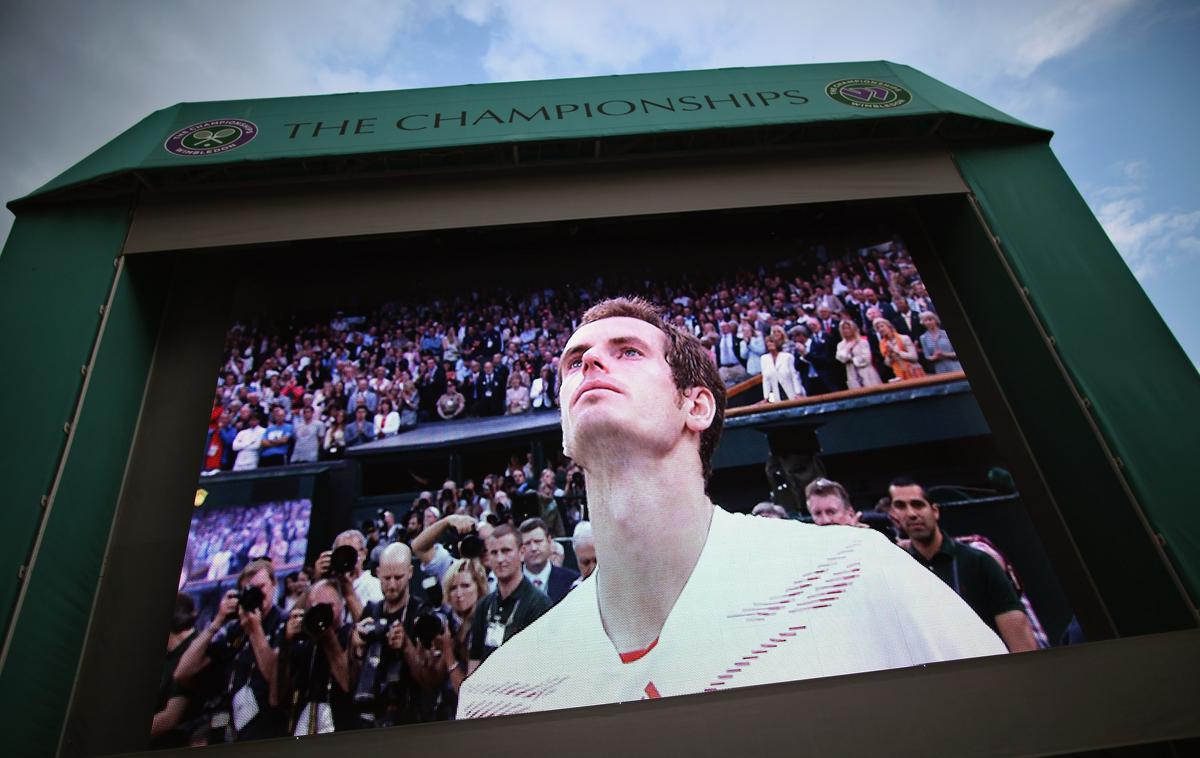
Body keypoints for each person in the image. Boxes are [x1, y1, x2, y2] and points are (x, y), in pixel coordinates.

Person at [458, 297, 1004, 719]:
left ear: (695, 405)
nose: (591, 361)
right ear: (563, 434)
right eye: (574, 362)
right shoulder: (498, 691)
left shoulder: (857, 570)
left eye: (627, 351)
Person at [887, 477, 1038, 653]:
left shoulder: (978, 561)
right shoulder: (897, 569)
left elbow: (1019, 635)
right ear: (893, 515)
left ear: (934, 511)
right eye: (900, 506)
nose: (911, 514)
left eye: (917, 504)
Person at [175, 559, 284, 741]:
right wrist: (218, 621)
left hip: (267, 727)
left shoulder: (284, 622)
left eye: (261, 587)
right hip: (228, 723)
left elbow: (277, 680)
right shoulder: (235, 630)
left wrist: (255, 630)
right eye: (249, 591)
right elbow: (183, 672)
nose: (256, 595)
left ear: (274, 585)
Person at [352, 543, 440, 727]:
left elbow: (429, 681)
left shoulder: (422, 613)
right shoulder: (370, 612)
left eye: (398, 577)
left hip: (409, 715)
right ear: (377, 573)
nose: (392, 585)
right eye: (387, 578)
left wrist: (407, 647)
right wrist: (357, 647)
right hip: (369, 714)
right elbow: (349, 681)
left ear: (410, 572)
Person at [466, 525, 552, 674]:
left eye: (506, 551)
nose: (500, 559)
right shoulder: (484, 605)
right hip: (485, 691)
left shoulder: (540, 603)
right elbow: (474, 661)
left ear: (521, 552)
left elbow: (542, 664)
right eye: (494, 553)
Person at [279, 580, 357, 735]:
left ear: (341, 605)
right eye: (317, 608)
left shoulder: (349, 634)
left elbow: (347, 684)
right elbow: (281, 690)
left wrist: (329, 639)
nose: (323, 613)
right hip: (303, 718)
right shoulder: (305, 639)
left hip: (340, 721)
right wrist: (286, 642)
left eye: (329, 607)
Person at [433, 558, 489, 716]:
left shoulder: (485, 626)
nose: (458, 594)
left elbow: (468, 693)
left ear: (480, 587)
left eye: (465, 586)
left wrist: (448, 653)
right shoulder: (448, 624)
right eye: (453, 588)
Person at [519, 517, 579, 604]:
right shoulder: (511, 583)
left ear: (549, 541)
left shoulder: (571, 580)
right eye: (527, 543)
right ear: (520, 548)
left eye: (538, 541)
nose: (534, 548)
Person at [835, 319, 882, 389]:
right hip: (852, 374)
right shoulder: (841, 345)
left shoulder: (862, 342)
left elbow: (866, 359)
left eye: (848, 328)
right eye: (844, 328)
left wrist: (852, 359)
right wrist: (848, 349)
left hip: (866, 373)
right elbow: (840, 357)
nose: (846, 330)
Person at [760, 334, 805, 403]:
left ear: (777, 343)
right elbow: (766, 380)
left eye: (771, 342)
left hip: (792, 393)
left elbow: (794, 376)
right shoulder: (764, 359)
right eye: (767, 342)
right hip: (776, 396)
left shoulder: (787, 357)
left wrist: (798, 393)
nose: (769, 344)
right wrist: (766, 397)